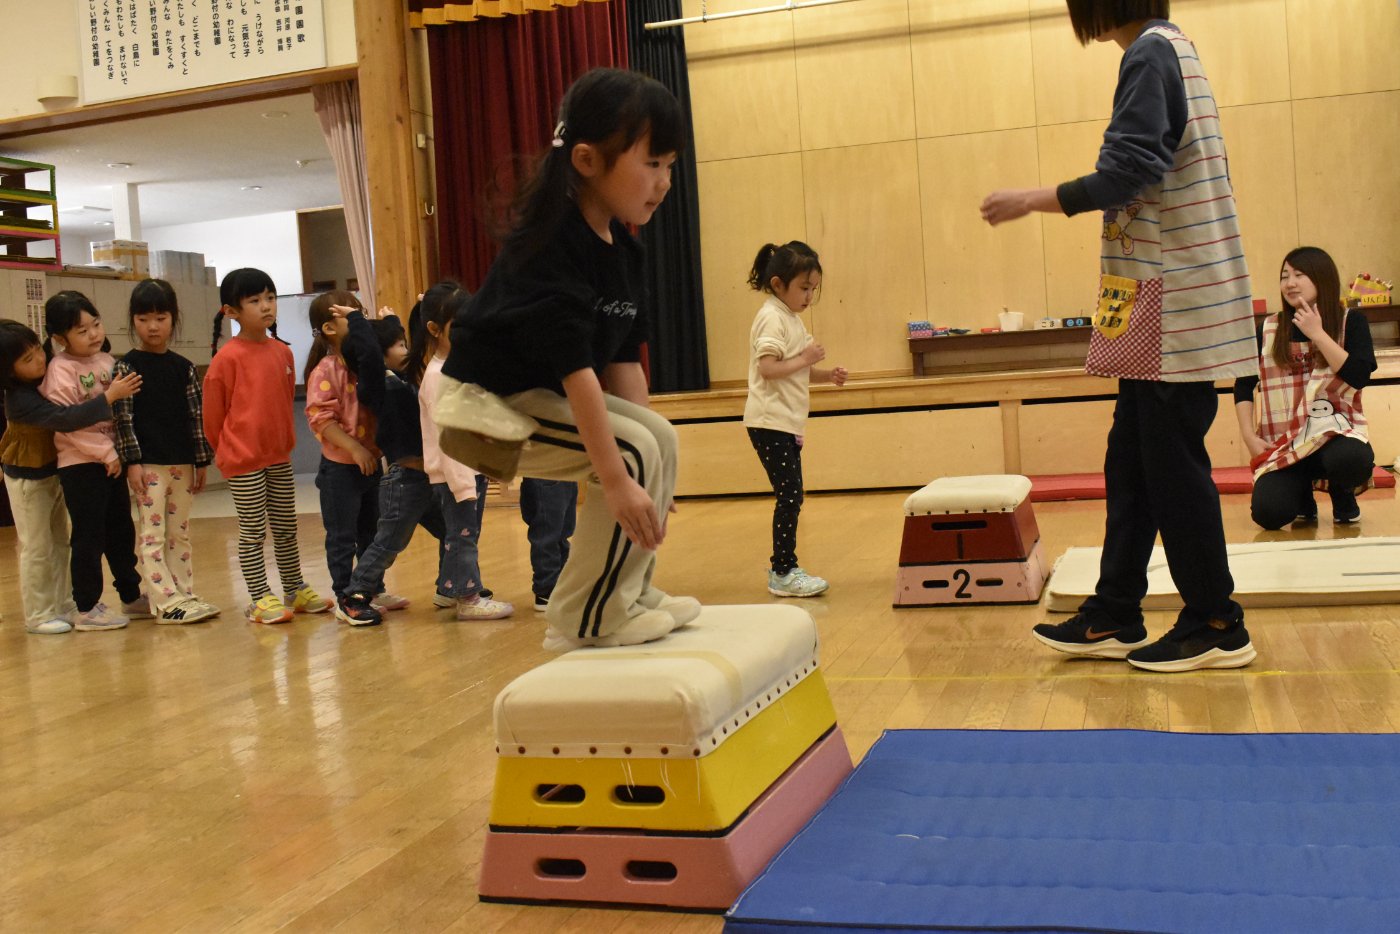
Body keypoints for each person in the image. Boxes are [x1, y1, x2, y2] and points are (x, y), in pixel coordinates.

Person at [980, 0, 1256, 673]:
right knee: (1131, 462)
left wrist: (1032, 199)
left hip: (1174, 307)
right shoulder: (1170, 47)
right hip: (1158, 303)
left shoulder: (1151, 53)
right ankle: (1116, 611)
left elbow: (1129, 169)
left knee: (1172, 470)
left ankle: (1216, 620)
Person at [435, 67, 700, 651]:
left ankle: (629, 594)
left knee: (656, 442)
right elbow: (575, 369)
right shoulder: (550, 243)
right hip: (485, 404)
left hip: (538, 396)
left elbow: (623, 360)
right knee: (631, 455)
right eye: (651, 163)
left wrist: (654, 477)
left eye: (670, 166)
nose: (663, 182)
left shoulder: (624, 252)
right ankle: (587, 615)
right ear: (586, 160)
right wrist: (621, 478)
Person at [205, 268, 332, 624]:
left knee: (286, 525)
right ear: (231, 311)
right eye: (255, 300)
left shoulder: (282, 353)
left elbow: (281, 402)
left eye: (270, 298)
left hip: (277, 456)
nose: (266, 306)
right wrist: (229, 451)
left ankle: (294, 588)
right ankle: (260, 596)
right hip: (243, 459)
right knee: (253, 531)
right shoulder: (227, 359)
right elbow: (212, 418)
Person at [0, 320, 141, 633]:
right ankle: (38, 614)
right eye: (27, 359)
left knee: (60, 542)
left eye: (38, 350)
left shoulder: (46, 374)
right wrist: (108, 397)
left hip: (53, 471)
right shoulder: (19, 399)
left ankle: (65, 605)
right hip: (26, 477)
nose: (39, 359)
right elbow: (65, 418)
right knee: (36, 547)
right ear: (8, 372)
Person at [1235, 246, 1375, 529]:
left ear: (1322, 278)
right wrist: (1249, 435)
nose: (1290, 283)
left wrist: (1318, 334)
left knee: (1351, 460)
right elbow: (1243, 385)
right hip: (1285, 443)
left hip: (1334, 435)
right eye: (1284, 276)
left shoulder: (1351, 321)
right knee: (1268, 514)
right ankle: (1301, 496)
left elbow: (1359, 375)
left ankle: (1342, 492)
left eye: (1299, 275)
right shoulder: (1268, 328)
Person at [332, 299, 451, 626]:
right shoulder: (376, 385)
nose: (405, 348)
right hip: (405, 483)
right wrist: (357, 320)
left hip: (427, 480)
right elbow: (369, 354)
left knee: (452, 532)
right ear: (380, 354)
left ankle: (451, 586)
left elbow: (415, 349)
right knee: (389, 543)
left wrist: (412, 316)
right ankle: (353, 596)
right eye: (398, 345)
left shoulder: (403, 378)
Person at [39, 291, 151, 631]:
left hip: (112, 462)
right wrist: (106, 453)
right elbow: (68, 423)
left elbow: (121, 412)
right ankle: (86, 607)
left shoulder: (106, 360)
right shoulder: (60, 369)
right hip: (81, 465)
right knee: (89, 536)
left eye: (96, 324)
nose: (93, 334)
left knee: (121, 530)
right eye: (82, 330)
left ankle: (130, 595)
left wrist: (123, 453)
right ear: (60, 338)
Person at [743, 241, 847, 598]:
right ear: (778, 284)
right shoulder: (772, 317)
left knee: (791, 495)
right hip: (768, 421)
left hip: (783, 422)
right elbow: (769, 368)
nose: (809, 296)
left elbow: (796, 369)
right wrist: (806, 359)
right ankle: (783, 570)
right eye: (804, 288)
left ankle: (785, 568)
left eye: (813, 289)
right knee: (790, 495)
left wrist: (826, 375)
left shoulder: (791, 318)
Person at [112, 279, 219, 624]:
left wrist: (201, 460)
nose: (153, 326)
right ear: (133, 320)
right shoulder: (127, 366)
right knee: (152, 535)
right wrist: (132, 462)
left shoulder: (183, 367)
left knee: (179, 533)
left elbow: (195, 417)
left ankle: (184, 593)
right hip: (148, 466)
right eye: (143, 319)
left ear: (173, 318)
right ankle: (165, 602)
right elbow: (124, 419)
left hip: (181, 463)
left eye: (160, 318)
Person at [303, 291, 407, 617]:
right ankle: (344, 595)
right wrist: (354, 448)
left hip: (371, 464)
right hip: (340, 470)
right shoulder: (326, 370)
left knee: (371, 532)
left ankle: (370, 588)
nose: (359, 318)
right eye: (350, 314)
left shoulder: (365, 363)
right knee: (342, 536)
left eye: (359, 311)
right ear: (329, 328)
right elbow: (321, 419)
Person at [417, 285, 514, 622]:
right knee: (463, 537)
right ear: (434, 329)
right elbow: (447, 436)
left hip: (469, 471)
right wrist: (463, 484)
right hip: (456, 476)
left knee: (463, 534)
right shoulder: (437, 377)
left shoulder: (457, 367)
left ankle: (449, 588)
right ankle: (468, 597)